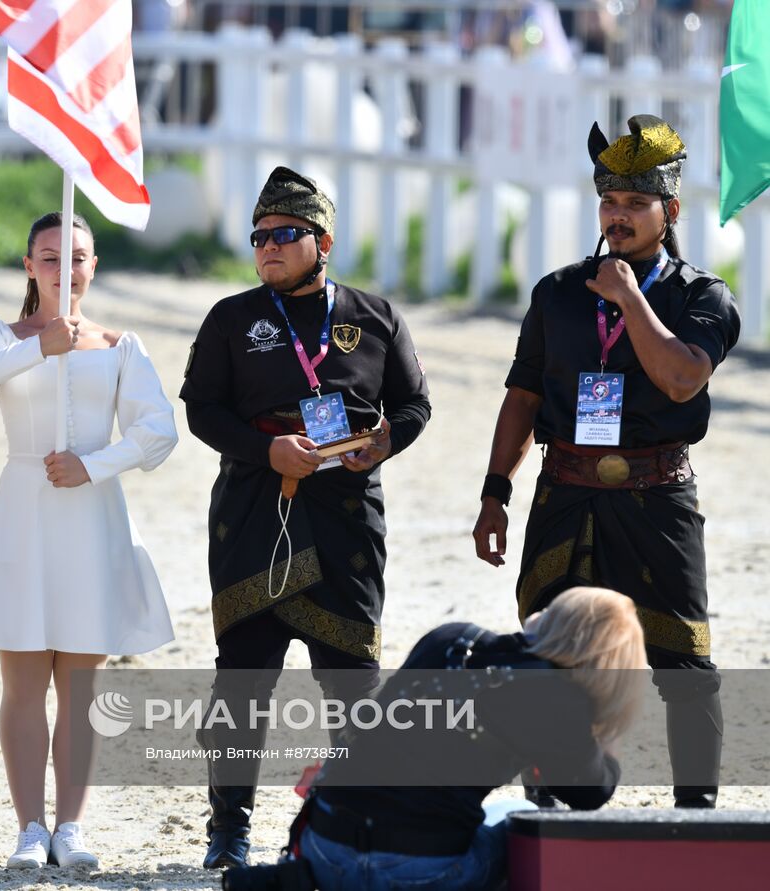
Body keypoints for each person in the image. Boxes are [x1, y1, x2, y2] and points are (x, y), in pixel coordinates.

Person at [472, 115, 738, 809]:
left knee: (686, 665)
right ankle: (551, 804)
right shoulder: (557, 293)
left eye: (634, 205)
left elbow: (682, 378)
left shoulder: (703, 298)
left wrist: (629, 297)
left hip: (658, 497)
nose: (616, 218)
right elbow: (523, 396)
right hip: (565, 494)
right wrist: (495, 493)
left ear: (669, 211)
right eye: (608, 203)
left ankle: (697, 815)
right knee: (548, 657)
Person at [179, 166, 431, 868]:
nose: (268, 247)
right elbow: (202, 409)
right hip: (256, 509)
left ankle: (358, 821)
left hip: (346, 513)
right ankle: (228, 828)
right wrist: (267, 449)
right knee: (242, 679)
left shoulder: (375, 315)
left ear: (323, 240)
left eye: (284, 235)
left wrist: (382, 442)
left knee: (352, 680)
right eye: (258, 236)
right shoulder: (232, 318)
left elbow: (414, 405)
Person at [0, 212, 177, 870]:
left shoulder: (119, 344)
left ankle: (70, 825)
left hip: (93, 515)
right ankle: (29, 826)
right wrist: (37, 348)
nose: (63, 269)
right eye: (49, 257)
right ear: (28, 265)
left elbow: (158, 432)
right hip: (23, 514)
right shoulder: (1, 335)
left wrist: (94, 463)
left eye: (76, 257)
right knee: (22, 684)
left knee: (81, 686)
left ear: (93, 266)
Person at [225, 586, 646, 891]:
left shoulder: (450, 639)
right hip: (420, 872)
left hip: (322, 851)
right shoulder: (559, 699)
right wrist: (605, 732)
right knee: (523, 812)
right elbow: (591, 793)